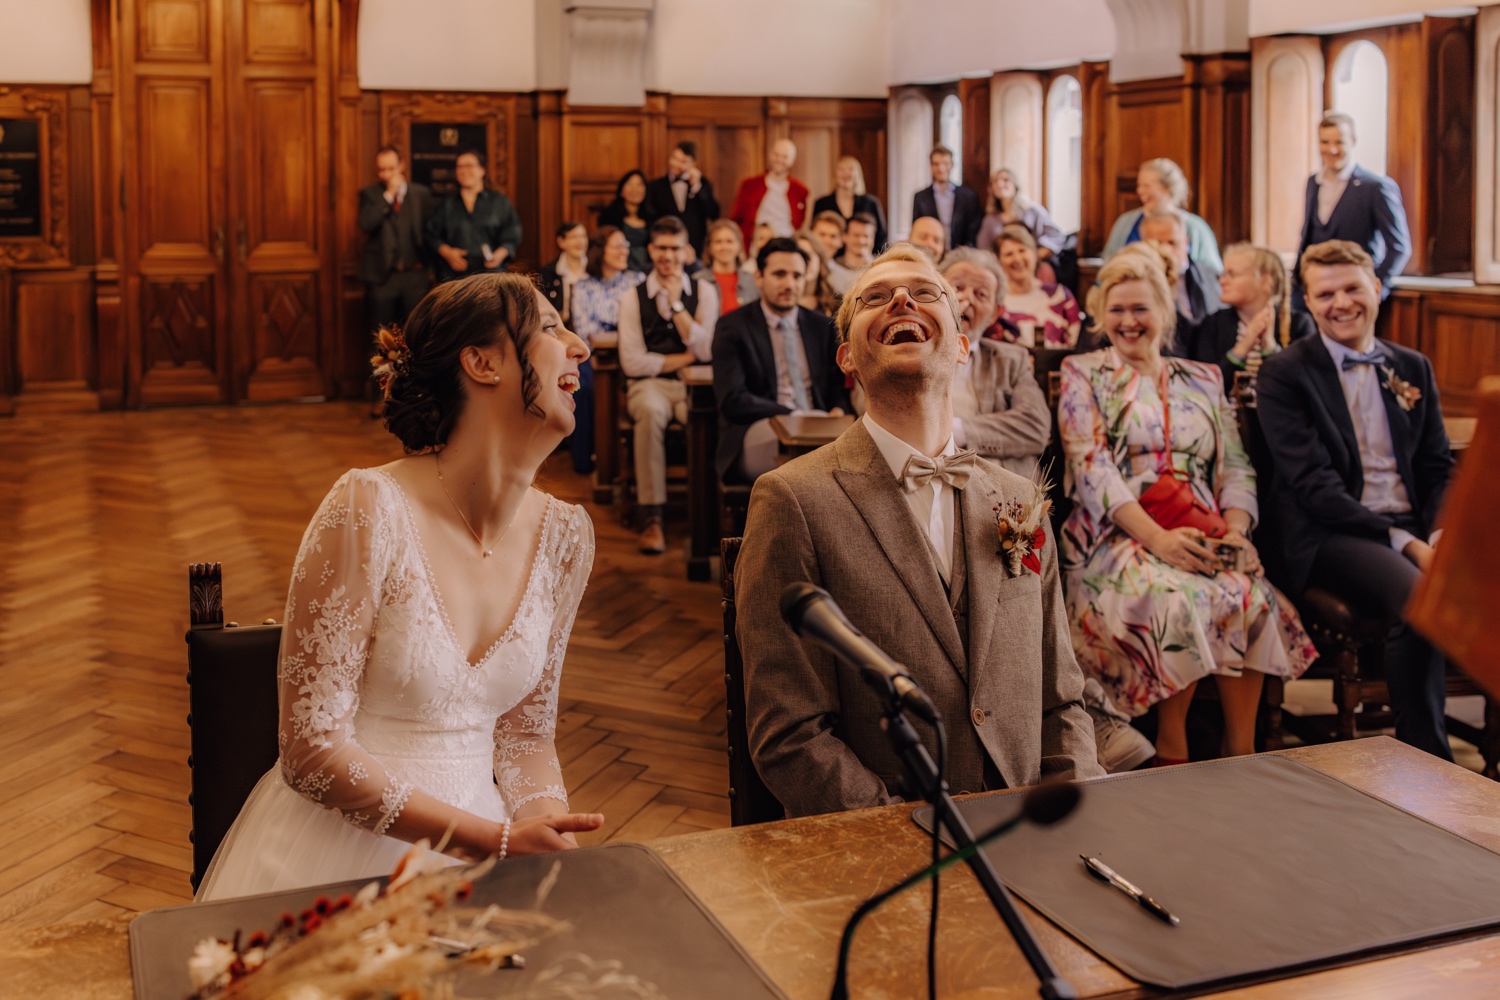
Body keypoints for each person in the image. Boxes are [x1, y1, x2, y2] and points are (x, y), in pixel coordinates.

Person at [195, 274, 606, 901]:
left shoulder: (566, 538)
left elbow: (525, 733)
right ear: (482, 362)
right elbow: (311, 750)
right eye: (551, 326)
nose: (579, 346)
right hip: (338, 854)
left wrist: (544, 827)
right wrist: (487, 842)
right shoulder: (366, 507)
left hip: (489, 848)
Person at [734, 244, 1104, 818]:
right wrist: (905, 835)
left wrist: (1071, 810)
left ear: (960, 347)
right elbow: (791, 735)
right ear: (847, 359)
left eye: (926, 292)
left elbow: (1062, 699)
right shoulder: (793, 500)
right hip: (889, 850)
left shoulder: (1019, 499)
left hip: (1030, 838)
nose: (902, 299)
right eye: (874, 298)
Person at [1058, 251, 1316, 765]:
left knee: (1247, 594)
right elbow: (1092, 472)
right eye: (1117, 310)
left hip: (1205, 527)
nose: (1129, 321)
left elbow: (1236, 467)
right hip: (1119, 536)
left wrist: (1237, 532)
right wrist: (1158, 541)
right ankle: (1172, 750)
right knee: (1179, 599)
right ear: (1100, 315)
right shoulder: (1084, 373)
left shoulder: (1203, 377)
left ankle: (1240, 750)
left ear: (1165, 311)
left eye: (1141, 308)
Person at [1257, 240, 1453, 761]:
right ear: (1307, 301)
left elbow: (1437, 468)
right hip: (1328, 533)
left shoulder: (1412, 367)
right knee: (1421, 603)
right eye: (1325, 294)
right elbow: (1312, 486)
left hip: (1410, 527)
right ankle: (1430, 762)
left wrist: (1439, 536)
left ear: (1378, 289)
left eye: (1351, 288)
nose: (1340, 303)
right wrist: (1409, 545)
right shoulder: (1285, 373)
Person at [616, 217, 720, 554]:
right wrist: (685, 358)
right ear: (650, 249)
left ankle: (705, 513)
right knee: (649, 410)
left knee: (703, 417)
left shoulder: (703, 291)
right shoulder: (632, 297)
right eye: (661, 247)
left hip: (695, 386)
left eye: (675, 248)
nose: (668, 255)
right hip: (649, 385)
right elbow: (632, 361)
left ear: (686, 251)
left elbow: (706, 349)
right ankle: (652, 516)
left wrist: (677, 306)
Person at [712, 237, 849, 484]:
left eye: (797, 276)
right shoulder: (732, 326)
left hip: (820, 427)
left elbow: (838, 386)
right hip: (760, 427)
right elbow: (733, 400)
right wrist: (793, 414)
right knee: (806, 472)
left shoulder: (821, 326)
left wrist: (838, 409)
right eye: (779, 274)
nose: (789, 283)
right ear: (759, 277)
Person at [937, 248, 1050, 479]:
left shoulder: (1011, 360)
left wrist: (957, 430)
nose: (965, 299)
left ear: (995, 313)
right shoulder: (911, 350)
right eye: (957, 288)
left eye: (981, 294)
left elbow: (1035, 427)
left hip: (1002, 487)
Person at [1295, 111, 1411, 303]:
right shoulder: (1312, 183)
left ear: (1353, 141)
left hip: (1352, 295)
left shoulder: (1375, 187)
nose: (1332, 149)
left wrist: (1373, 286)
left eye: (1339, 142)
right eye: (1325, 142)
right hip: (1312, 291)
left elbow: (1399, 247)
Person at [567, 227, 647, 476]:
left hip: (634, 352)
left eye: (626, 245)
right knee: (585, 386)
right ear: (601, 251)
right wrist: (622, 325)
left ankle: (627, 457)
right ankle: (588, 457)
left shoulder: (637, 282)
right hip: (595, 355)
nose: (625, 251)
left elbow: (645, 324)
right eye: (617, 246)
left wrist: (612, 327)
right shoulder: (583, 286)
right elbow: (584, 330)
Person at [1185, 242, 1314, 391]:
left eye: (1232, 274)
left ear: (1266, 280)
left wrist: (1270, 348)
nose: (1222, 281)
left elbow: (1299, 389)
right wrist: (1243, 347)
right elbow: (1204, 387)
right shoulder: (1212, 324)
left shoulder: (1299, 325)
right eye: (1223, 274)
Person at [359, 146, 436, 335]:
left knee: (417, 334)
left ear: (401, 165)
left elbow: (431, 232)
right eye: (381, 170)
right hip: (383, 277)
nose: (386, 174)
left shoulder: (421, 194)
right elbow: (367, 224)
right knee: (379, 337)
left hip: (415, 275)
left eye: (391, 169)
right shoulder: (370, 194)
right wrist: (388, 195)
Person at [1103, 158, 1222, 275]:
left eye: (1146, 186)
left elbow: (1212, 273)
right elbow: (1108, 264)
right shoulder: (1125, 222)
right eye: (1139, 185)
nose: (1140, 191)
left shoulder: (1196, 227)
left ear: (1167, 189)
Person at [425, 149, 523, 283]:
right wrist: (447, 253)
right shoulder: (448, 202)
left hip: (491, 276)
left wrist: (499, 255)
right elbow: (431, 233)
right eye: (460, 166)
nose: (463, 171)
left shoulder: (499, 201)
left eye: (469, 166)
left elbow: (512, 234)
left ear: (482, 170)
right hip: (454, 278)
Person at [994, 225, 1082, 349]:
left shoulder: (1061, 295)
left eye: (1022, 250)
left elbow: (1075, 342)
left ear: (1035, 254)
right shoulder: (995, 303)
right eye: (1009, 254)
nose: (1017, 259)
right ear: (999, 261)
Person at [1139, 209, 1220, 330]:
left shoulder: (1212, 276)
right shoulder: (1136, 283)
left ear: (1186, 243)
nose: (1166, 250)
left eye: (1172, 243)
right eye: (1157, 243)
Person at [644, 140, 720, 259]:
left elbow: (714, 213)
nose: (675, 164)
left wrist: (696, 187)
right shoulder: (655, 186)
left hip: (697, 249)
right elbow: (649, 218)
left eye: (683, 161)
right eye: (674, 158)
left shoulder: (703, 185)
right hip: (666, 250)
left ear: (693, 164)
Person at [730, 138, 810, 246]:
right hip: (755, 244)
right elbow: (736, 218)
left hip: (787, 243)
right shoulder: (749, 185)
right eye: (776, 154)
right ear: (770, 154)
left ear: (792, 160)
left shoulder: (800, 190)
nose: (779, 160)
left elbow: (802, 223)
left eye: (784, 157)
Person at [975, 167, 1066, 260]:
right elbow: (983, 250)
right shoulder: (990, 220)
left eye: (1006, 180)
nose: (1000, 184)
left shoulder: (1033, 211)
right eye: (995, 181)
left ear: (1015, 184)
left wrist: (1034, 257)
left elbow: (1056, 237)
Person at [812, 155, 888, 251]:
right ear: (835, 174)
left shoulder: (871, 203)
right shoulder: (822, 203)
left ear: (858, 175)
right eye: (842, 169)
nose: (846, 173)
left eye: (850, 169)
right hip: (830, 256)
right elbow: (814, 234)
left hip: (864, 258)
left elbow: (881, 236)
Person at [912, 145, 981, 249]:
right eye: (936, 164)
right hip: (930, 251)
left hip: (959, 254)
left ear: (952, 165)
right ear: (931, 166)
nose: (941, 168)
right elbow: (917, 229)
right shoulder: (920, 197)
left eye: (945, 163)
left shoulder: (968, 197)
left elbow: (972, 232)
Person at [598, 169, 656, 273]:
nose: (635, 189)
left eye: (640, 185)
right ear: (621, 190)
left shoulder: (653, 217)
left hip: (647, 270)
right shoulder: (609, 216)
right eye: (630, 184)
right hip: (617, 269)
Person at [537, 221, 587, 325]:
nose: (580, 241)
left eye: (583, 236)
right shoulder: (549, 272)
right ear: (561, 242)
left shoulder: (594, 269)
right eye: (574, 237)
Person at [704, 218, 758, 314]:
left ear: (739, 246)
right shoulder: (698, 280)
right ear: (710, 247)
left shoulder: (753, 281)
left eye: (729, 241)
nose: (724, 247)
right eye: (718, 242)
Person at [795, 230, 841, 317]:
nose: (806, 262)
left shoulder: (837, 303)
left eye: (809, 255)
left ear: (819, 260)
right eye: (800, 256)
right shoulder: (776, 304)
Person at [829, 212, 877, 294]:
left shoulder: (881, 268)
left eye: (866, 236)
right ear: (845, 236)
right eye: (856, 235)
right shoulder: (831, 269)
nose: (861, 241)